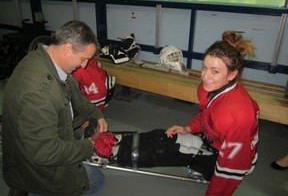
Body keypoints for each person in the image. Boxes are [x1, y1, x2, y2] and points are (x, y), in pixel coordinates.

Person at [86, 31, 259, 196]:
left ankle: (113, 153)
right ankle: (113, 141)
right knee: (162, 136)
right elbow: (208, 116)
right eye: (204, 68)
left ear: (232, 74)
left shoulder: (238, 115)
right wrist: (188, 128)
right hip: (213, 141)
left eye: (215, 71)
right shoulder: (211, 88)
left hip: (225, 159)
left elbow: (232, 169)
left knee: (164, 150)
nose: (206, 76)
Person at [2, 20, 109, 196]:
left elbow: (76, 96)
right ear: (67, 48)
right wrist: (89, 145)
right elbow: (46, 152)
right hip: (38, 169)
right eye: (83, 59)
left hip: (48, 145)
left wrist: (96, 115)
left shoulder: (48, 60)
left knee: (93, 177)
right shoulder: (39, 92)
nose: (83, 66)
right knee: (95, 182)